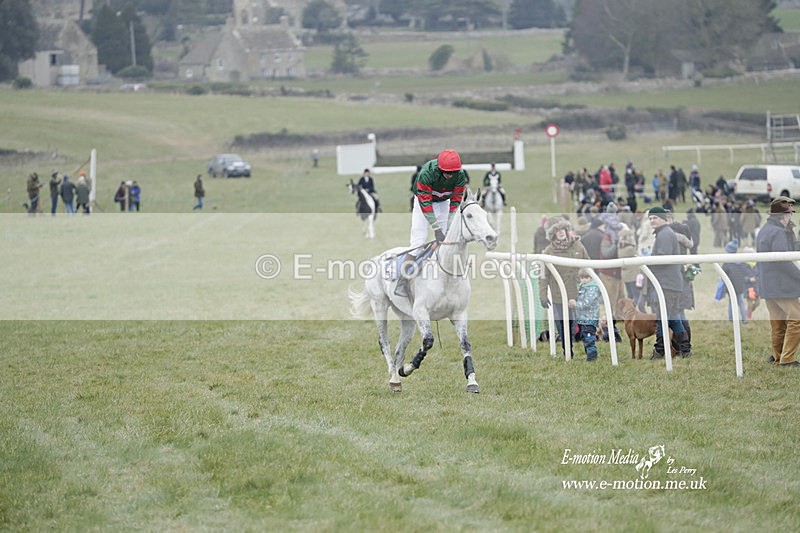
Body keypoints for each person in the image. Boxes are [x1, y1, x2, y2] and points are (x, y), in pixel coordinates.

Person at [394, 150, 467, 298]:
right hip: (423, 202)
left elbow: (456, 199)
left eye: (453, 173)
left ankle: (446, 279)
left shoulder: (460, 176)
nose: (450, 176)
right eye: (447, 172)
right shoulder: (426, 173)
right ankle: (403, 280)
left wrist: (448, 222)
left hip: (444, 202)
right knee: (418, 241)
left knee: (445, 240)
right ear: (439, 168)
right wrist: (436, 227)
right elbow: (425, 203)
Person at [756, 196, 800, 367]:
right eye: (789, 214)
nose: (791, 217)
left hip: (769, 284)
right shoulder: (778, 232)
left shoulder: (766, 229)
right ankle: (787, 359)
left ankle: (778, 357)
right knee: (797, 319)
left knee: (778, 324)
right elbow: (783, 260)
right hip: (781, 285)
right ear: (784, 216)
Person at [539, 216, 590, 357]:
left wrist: (591, 285)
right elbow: (543, 276)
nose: (561, 232)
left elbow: (589, 266)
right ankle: (567, 350)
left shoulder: (578, 245)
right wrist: (542, 295)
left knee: (585, 321)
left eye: (563, 229)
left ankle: (590, 350)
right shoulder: (548, 252)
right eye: (557, 231)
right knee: (564, 323)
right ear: (552, 234)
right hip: (559, 294)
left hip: (580, 290)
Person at [647, 207, 690, 359]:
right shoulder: (664, 233)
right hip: (669, 283)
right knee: (671, 317)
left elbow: (662, 259)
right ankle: (684, 349)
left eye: (655, 218)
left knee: (663, 318)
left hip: (667, 284)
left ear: (664, 219)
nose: (652, 220)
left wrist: (646, 261)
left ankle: (660, 350)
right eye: (650, 218)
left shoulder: (664, 234)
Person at [571, 269, 600, 361]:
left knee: (589, 338)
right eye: (582, 278)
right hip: (583, 318)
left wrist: (576, 304)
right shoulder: (582, 287)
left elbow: (587, 303)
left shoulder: (593, 288)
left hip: (589, 318)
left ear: (591, 277)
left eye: (586, 278)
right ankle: (589, 355)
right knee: (585, 337)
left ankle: (592, 357)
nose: (584, 280)